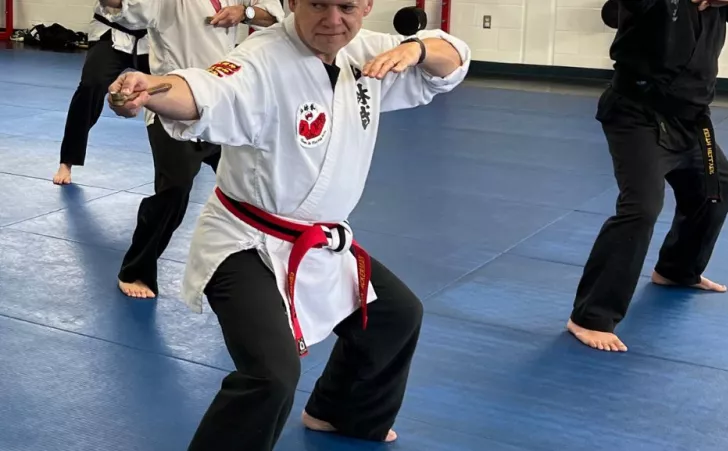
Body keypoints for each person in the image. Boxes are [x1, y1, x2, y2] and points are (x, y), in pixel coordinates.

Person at [107, 0, 470, 447]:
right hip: (244, 243)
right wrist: (154, 88)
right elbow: (206, 89)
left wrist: (416, 49)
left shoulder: (369, 53)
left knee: (395, 316)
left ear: (367, 6)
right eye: (317, 4)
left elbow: (451, 58)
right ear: (293, 3)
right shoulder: (261, 59)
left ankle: (340, 412)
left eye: (347, 6)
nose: (333, 20)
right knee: (272, 374)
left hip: (320, 243)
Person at [568, 0, 728, 352]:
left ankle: (676, 270)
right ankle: (590, 316)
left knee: (716, 189)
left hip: (690, 119)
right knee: (641, 208)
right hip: (636, 114)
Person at [97, 0, 285, 298]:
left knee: (257, 187)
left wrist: (244, 12)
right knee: (174, 191)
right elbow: (128, 6)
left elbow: (274, 16)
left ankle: (264, 266)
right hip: (173, 107)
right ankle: (135, 270)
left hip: (226, 105)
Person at [53, 0, 150, 185]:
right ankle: (67, 160)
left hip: (154, 38)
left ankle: (196, 149)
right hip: (112, 31)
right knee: (90, 86)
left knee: (177, 87)